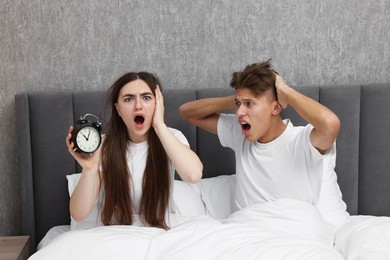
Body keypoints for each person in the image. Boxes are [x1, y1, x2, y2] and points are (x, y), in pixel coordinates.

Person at [179, 59, 340, 211]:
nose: (239, 112)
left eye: (249, 104)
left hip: (293, 229)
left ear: (276, 108)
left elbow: (330, 124)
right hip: (249, 230)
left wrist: (285, 91)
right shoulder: (238, 133)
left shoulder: (302, 141)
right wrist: (237, 99)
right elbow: (187, 113)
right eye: (238, 104)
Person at [66, 71, 203, 229]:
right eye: (129, 99)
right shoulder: (102, 145)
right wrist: (89, 169)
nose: (138, 106)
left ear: (157, 105)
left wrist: (159, 125)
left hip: (157, 231)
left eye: (146, 98)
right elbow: (78, 213)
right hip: (115, 233)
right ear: (118, 109)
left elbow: (193, 175)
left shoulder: (171, 137)